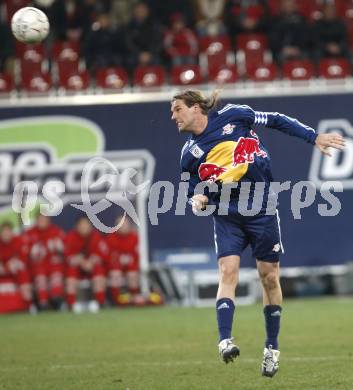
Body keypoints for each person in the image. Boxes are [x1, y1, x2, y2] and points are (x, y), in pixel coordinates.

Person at [170, 89, 345, 377]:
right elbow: (193, 194)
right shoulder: (188, 155)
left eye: (177, 109)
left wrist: (314, 137)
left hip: (262, 208)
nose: (172, 116)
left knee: (269, 277)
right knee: (228, 272)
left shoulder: (235, 115)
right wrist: (197, 200)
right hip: (226, 215)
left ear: (196, 108)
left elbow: (275, 119)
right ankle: (225, 340)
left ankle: (271, 349)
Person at [65, 216, 107, 313]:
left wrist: (91, 261)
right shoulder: (71, 237)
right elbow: (67, 257)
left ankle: (100, 303)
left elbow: (103, 256)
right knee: (71, 272)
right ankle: (71, 305)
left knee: (99, 270)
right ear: (76, 226)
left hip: (92, 268)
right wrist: (80, 261)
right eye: (81, 224)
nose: (84, 227)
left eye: (86, 224)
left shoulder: (96, 236)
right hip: (77, 269)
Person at [24, 214, 65, 310]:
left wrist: (58, 250)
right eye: (40, 220)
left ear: (48, 221)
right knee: (40, 276)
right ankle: (43, 303)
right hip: (38, 266)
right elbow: (25, 254)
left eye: (44, 220)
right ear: (36, 221)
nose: (42, 222)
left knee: (56, 274)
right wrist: (33, 253)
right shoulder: (30, 233)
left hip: (53, 265)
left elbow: (64, 251)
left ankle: (56, 301)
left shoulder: (56, 231)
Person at [105, 216, 143, 305]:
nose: (123, 227)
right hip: (115, 266)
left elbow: (138, 255)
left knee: (132, 273)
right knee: (115, 274)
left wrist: (130, 259)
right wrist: (118, 260)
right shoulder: (111, 237)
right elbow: (108, 256)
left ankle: (134, 298)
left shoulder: (135, 237)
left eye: (125, 224)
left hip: (131, 266)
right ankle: (117, 301)